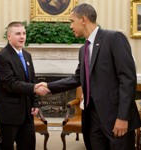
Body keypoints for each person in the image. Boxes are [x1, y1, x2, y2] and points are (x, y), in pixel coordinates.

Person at [38, 3, 141, 150]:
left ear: (83, 19)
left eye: (72, 21)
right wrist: (49, 86)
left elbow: (127, 79)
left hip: (115, 118)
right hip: (92, 119)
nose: (70, 26)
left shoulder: (113, 38)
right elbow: (77, 78)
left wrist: (123, 117)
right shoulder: (83, 49)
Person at [0, 21, 49, 150]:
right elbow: (10, 84)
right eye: (18, 34)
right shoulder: (2, 57)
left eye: (24, 33)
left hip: (27, 113)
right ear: (9, 37)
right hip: (9, 114)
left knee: (29, 146)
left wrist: (35, 103)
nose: (22, 37)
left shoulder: (27, 55)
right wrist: (35, 88)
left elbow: (32, 80)